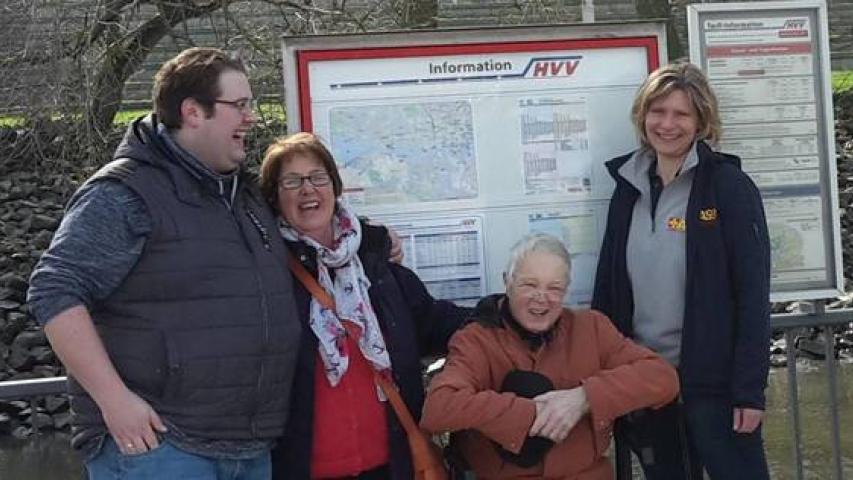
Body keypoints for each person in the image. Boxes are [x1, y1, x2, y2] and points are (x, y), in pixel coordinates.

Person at [27, 47, 302, 479]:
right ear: (193, 112)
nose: (251, 118)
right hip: (160, 448)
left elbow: (313, 229)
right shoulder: (124, 193)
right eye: (239, 105)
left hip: (249, 448)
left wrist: (377, 241)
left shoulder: (243, 196)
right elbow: (53, 289)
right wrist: (114, 401)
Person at [591, 62, 772, 479]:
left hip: (715, 388)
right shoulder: (627, 188)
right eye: (658, 111)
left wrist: (749, 392)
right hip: (647, 383)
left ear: (701, 121)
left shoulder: (727, 187)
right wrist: (605, 378)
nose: (667, 124)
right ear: (643, 116)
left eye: (681, 114)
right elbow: (608, 287)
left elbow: (752, 294)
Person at [259, 132, 470, 480]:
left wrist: (507, 311)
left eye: (317, 177)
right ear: (274, 197)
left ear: (335, 186)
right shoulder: (264, 273)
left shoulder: (375, 261)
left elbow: (433, 322)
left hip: (391, 465)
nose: (308, 190)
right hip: (305, 468)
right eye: (292, 182)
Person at [420, 232, 679, 479]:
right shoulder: (477, 338)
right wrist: (532, 414)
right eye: (529, 285)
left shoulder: (591, 327)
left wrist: (584, 398)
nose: (541, 298)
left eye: (554, 288)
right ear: (507, 282)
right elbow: (438, 408)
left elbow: (663, 378)